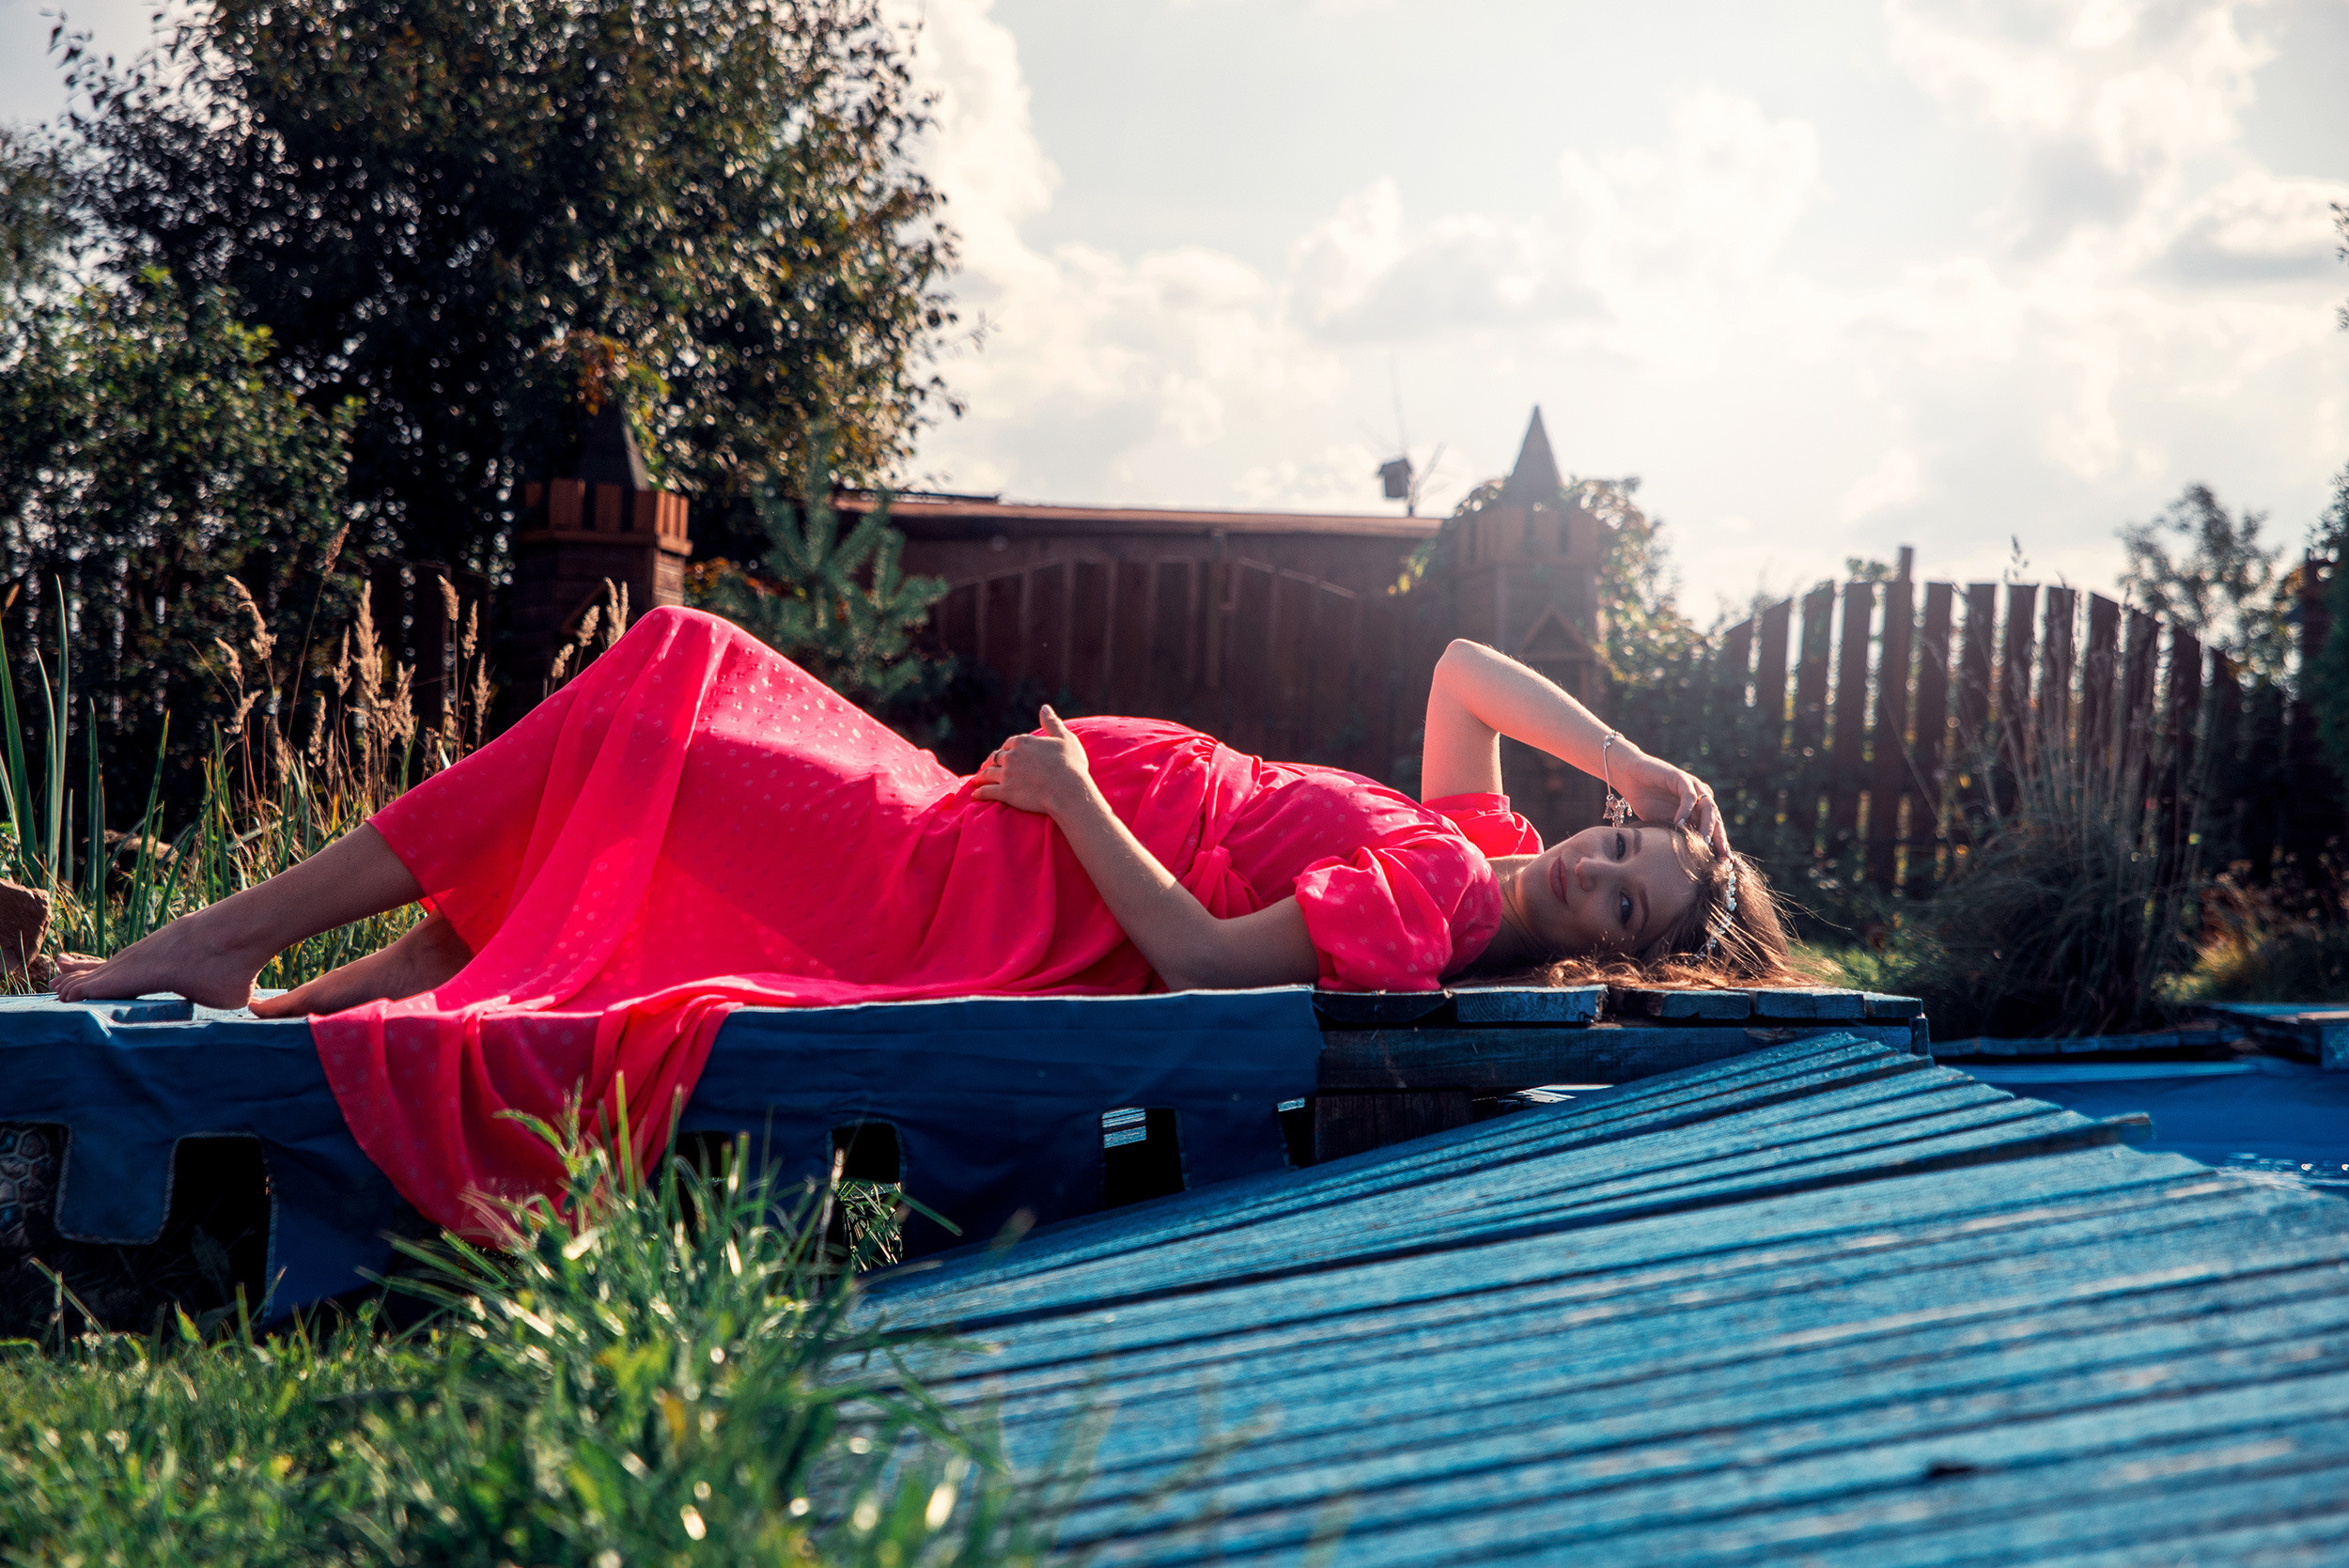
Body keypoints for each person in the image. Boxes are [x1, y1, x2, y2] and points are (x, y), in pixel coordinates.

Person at [51, 607, 1794, 1229]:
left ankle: (224, 952)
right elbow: (1462, 665)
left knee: (671, 676)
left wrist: (1075, 802)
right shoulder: (1475, 830)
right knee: (626, 774)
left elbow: (1192, 959)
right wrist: (1646, 755)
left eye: (1635, 892)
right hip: (988, 832)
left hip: (973, 893)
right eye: (1628, 836)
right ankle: (256, 997)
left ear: (1612, 943)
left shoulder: (1421, 916)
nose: (1609, 859)